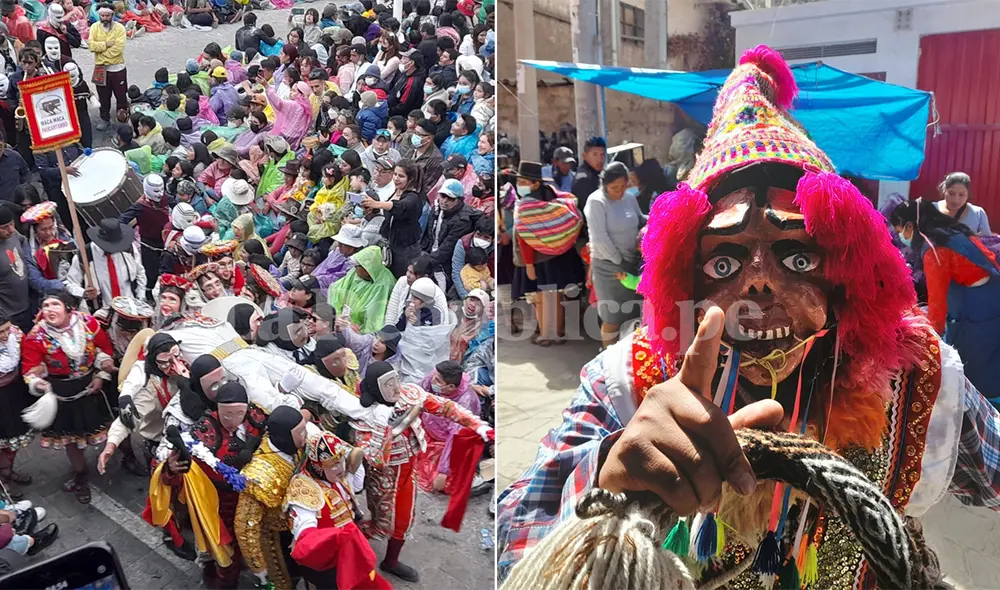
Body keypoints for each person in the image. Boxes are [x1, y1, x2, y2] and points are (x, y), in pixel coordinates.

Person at [497, 45, 1000, 586]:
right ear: (685, 277)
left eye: (798, 257)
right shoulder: (629, 381)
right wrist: (606, 482)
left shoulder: (911, 370)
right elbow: (513, 540)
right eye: (725, 261)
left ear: (844, 273)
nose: (760, 282)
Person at [353, 362, 490, 582]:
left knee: (405, 520)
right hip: (384, 479)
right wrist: (384, 426)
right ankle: (351, 547)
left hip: (409, 469)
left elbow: (446, 407)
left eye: (395, 380)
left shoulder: (408, 393)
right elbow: (375, 460)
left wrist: (477, 424)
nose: (396, 388)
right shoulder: (364, 416)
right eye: (388, 385)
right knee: (381, 525)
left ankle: (391, 561)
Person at [890, 197, 1000, 404]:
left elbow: (937, 304)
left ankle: (983, 415)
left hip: (979, 310)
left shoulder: (935, 250)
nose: (901, 237)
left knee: (977, 371)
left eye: (899, 231)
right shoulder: (955, 233)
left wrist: (930, 341)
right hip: (992, 299)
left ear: (910, 226)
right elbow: (991, 260)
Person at [22, 291, 116, 504]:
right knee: (71, 439)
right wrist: (38, 383)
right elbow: (29, 369)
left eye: (55, 304)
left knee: (113, 423)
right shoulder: (36, 336)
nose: (49, 309)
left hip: (92, 385)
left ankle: (127, 456)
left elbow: (104, 348)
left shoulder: (88, 323)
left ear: (68, 308)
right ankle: (81, 475)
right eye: (45, 306)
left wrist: (101, 374)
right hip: (62, 392)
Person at [283, 429, 389, 589]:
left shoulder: (336, 475)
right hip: (325, 559)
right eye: (334, 464)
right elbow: (306, 535)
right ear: (318, 467)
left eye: (342, 460)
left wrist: (354, 459)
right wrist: (336, 537)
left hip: (348, 546)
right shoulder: (303, 489)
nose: (342, 468)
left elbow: (357, 485)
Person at [512, 161, 584, 346]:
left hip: (538, 259)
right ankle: (557, 333)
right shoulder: (555, 197)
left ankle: (545, 335)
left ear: (535, 184)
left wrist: (529, 265)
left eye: (523, 182)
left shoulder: (526, 206)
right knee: (556, 297)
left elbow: (525, 239)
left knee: (542, 299)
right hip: (560, 256)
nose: (519, 185)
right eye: (519, 181)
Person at [583, 161, 646, 349]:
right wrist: (620, 261)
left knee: (633, 314)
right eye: (614, 188)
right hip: (609, 266)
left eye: (623, 186)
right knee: (612, 317)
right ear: (604, 185)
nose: (619, 192)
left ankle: (629, 356)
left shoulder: (629, 198)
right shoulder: (596, 201)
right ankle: (606, 355)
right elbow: (600, 238)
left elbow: (640, 220)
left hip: (632, 262)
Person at [65, 219, 146, 313]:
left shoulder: (129, 249)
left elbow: (140, 273)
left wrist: (140, 298)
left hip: (129, 308)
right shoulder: (85, 256)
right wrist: (84, 293)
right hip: (100, 311)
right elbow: (71, 284)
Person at [360, 159, 425, 278]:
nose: (396, 178)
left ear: (410, 179)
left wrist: (377, 204)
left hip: (405, 249)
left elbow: (400, 206)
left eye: (401, 176)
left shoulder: (414, 197)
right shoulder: (396, 191)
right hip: (389, 245)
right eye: (395, 174)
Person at [0, 311, 35, 497]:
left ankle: (6, 471)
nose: (6, 335)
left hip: (14, 393)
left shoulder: (16, 335)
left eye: (7, 329)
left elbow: (29, 357)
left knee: (13, 439)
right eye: (0, 332)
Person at [422, 178, 479, 290]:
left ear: (459, 200)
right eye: (443, 196)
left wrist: (426, 262)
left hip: (447, 264)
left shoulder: (463, 220)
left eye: (450, 198)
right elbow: (428, 235)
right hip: (431, 254)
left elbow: (448, 248)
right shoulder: (436, 208)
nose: (444, 201)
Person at [328, 245, 395, 334]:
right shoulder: (354, 273)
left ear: (367, 268)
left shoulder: (384, 283)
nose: (355, 270)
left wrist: (354, 325)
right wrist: (338, 314)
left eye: (357, 267)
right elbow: (337, 288)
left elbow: (374, 313)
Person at [89, 4, 127, 131]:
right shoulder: (94, 27)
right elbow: (91, 46)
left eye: (107, 15)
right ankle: (104, 118)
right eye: (102, 16)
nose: (105, 18)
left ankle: (122, 117)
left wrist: (101, 53)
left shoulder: (120, 28)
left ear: (112, 15)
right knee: (103, 96)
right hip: (100, 68)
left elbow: (118, 49)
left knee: (121, 96)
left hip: (117, 68)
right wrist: (106, 44)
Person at [571, 135, 606, 245]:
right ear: (585, 156)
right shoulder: (584, 179)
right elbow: (588, 214)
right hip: (589, 239)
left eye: (602, 154)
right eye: (594, 154)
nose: (599, 159)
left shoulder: (596, 174)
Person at [313, 224, 365, 296]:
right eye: (339, 243)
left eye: (342, 244)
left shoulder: (357, 263)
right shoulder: (337, 252)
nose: (339, 246)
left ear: (352, 246)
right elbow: (322, 267)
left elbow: (339, 278)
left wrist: (317, 280)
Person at [388, 49, 425, 118]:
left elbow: (403, 106)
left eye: (404, 58)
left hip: (396, 116)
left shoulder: (413, 83)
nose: (400, 60)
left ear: (411, 63)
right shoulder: (404, 73)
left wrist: (388, 111)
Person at [0, 131, 28, 204]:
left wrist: (23, 190)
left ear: (3, 143)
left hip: (17, 205)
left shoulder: (14, 156)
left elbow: (26, 173)